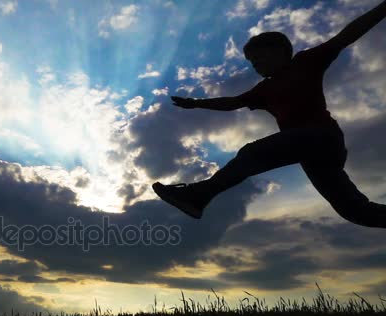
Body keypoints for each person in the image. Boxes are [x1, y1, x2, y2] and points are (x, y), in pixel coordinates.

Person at [153, 1, 386, 228]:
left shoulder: (306, 62)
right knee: (355, 211)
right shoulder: (263, 90)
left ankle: (198, 195)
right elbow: (232, 103)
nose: (255, 65)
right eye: (252, 62)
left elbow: (348, 34)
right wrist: (195, 103)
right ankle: (197, 197)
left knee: (252, 152)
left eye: (259, 58)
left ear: (281, 52)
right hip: (309, 154)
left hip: (321, 137)